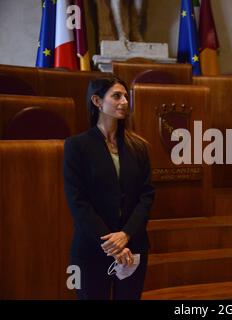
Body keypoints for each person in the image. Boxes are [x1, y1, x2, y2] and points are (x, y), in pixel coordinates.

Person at [63, 75, 155, 299]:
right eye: (116, 96)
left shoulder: (139, 147)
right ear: (97, 101)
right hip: (92, 248)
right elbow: (78, 202)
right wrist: (112, 243)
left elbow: (147, 196)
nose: (124, 101)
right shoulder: (77, 146)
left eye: (125, 96)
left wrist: (126, 234)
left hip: (132, 245)